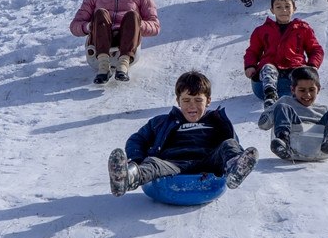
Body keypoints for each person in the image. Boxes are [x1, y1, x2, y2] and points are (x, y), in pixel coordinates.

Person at [108, 70, 260, 196]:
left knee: (229, 144)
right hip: (172, 163)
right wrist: (137, 159)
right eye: (186, 100)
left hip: (208, 163)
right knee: (153, 163)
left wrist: (233, 156)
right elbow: (138, 139)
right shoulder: (161, 121)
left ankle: (235, 169)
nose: (192, 106)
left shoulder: (217, 121)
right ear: (178, 101)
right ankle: (127, 178)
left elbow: (232, 143)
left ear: (208, 101)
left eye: (198, 100)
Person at [69, 0, 159, 83]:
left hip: (128, 50)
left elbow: (155, 26)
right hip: (98, 50)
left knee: (132, 16)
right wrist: (89, 26)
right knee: (100, 13)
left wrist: (138, 25)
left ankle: (123, 65)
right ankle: (104, 67)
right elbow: (75, 25)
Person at [244, 0, 324, 108]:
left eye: (287, 6)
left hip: (294, 65)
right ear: (272, 10)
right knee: (267, 68)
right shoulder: (262, 31)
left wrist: (312, 65)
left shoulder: (302, 29)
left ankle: (300, 97)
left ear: (294, 9)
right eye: (279, 7)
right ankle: (270, 95)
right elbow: (253, 51)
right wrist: (250, 66)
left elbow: (315, 49)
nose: (284, 10)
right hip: (271, 64)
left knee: (300, 73)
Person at [258, 66, 328, 160]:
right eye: (302, 90)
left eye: (311, 90)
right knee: (282, 107)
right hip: (294, 143)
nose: (307, 94)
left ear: (318, 89)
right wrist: (273, 113)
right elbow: (263, 124)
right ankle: (283, 143)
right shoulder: (286, 101)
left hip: (320, 147)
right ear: (292, 90)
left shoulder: (324, 110)